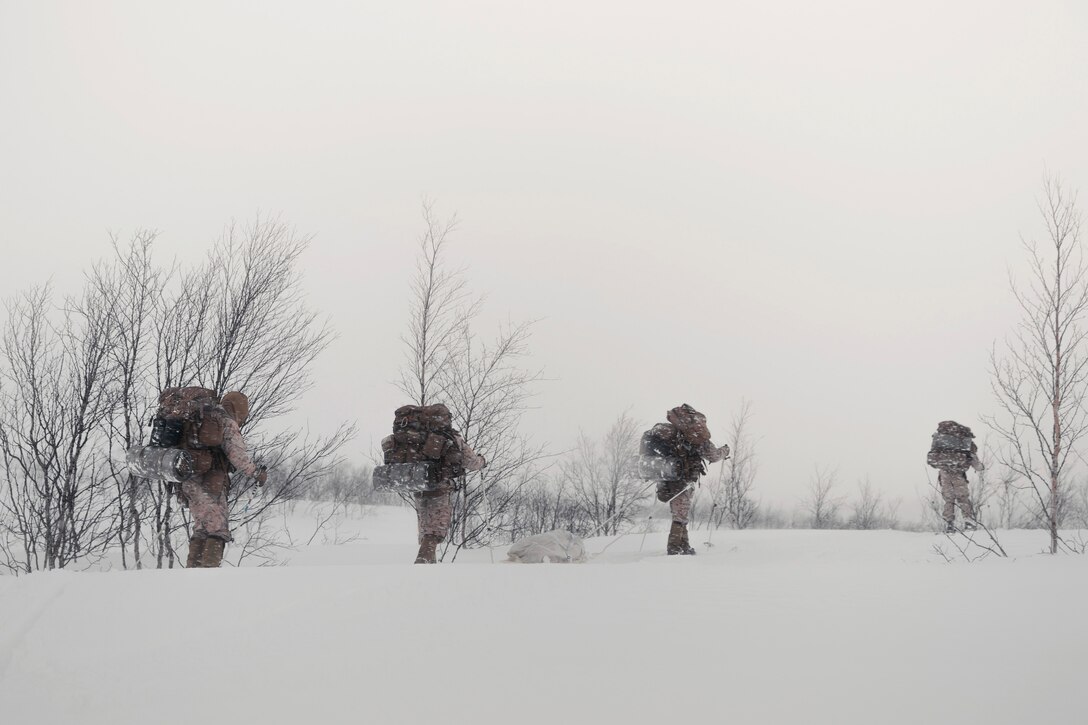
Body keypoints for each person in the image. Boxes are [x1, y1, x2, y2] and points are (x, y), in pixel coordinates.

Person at [380, 403, 485, 564]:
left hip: (419, 485)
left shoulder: (415, 436)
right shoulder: (449, 437)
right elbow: (471, 462)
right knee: (434, 532)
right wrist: (482, 461)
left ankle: (429, 568)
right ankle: (422, 564)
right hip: (440, 487)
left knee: (426, 530)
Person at [182, 390, 267, 568]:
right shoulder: (225, 420)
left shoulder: (203, 416)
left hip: (188, 479)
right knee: (217, 530)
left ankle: (192, 572)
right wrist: (256, 472)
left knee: (201, 528)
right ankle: (209, 576)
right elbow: (236, 454)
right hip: (210, 481)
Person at [642, 404, 729, 555]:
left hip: (667, 475)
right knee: (680, 513)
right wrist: (725, 451)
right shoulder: (697, 438)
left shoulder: (671, 433)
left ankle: (684, 545)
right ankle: (675, 548)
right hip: (683, 478)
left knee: (679, 512)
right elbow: (713, 456)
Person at [929, 420, 984, 533]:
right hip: (958, 474)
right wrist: (980, 467)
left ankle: (949, 524)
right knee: (963, 498)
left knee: (949, 500)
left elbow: (933, 458)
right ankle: (968, 522)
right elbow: (974, 460)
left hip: (944, 473)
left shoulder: (941, 440)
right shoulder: (965, 442)